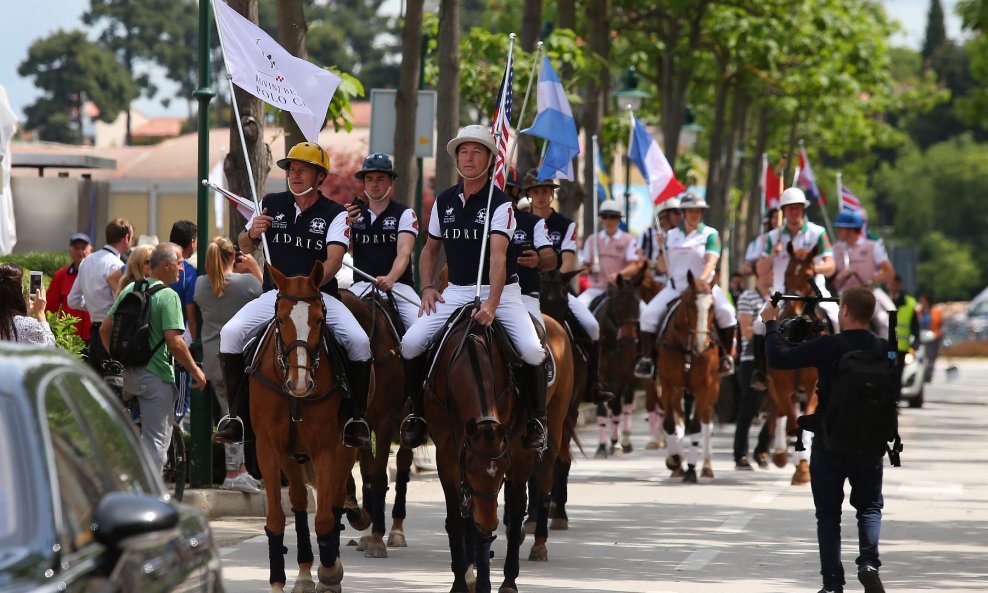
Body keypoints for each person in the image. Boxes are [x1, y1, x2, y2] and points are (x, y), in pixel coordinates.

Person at [398, 125, 548, 451]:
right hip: (456, 291)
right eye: (463, 151)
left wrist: (492, 304)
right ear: (456, 158)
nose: (468, 157)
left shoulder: (502, 204)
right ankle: (417, 415)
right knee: (410, 343)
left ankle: (537, 420)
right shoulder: (444, 200)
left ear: (490, 160)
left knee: (534, 350)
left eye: (476, 151)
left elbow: (497, 258)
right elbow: (429, 250)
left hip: (502, 294)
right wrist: (426, 287)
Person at [215, 142, 373, 449]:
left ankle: (356, 419)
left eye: (303, 169)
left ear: (319, 177)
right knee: (230, 333)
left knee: (360, 341)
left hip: (319, 297)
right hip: (276, 296)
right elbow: (244, 247)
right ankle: (237, 417)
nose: (295, 174)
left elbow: (335, 259)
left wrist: (309, 286)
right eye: (291, 169)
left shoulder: (335, 213)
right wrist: (250, 233)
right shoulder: (271, 202)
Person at [761, 286, 889, 593]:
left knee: (828, 515)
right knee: (870, 507)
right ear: (870, 313)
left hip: (830, 440)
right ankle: (868, 563)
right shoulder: (885, 347)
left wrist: (770, 324)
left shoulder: (827, 345)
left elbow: (777, 359)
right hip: (870, 440)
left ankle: (832, 585)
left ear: (844, 311)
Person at [100, 243, 207, 475]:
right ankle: (152, 498)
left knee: (137, 433)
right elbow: (175, 342)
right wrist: (195, 371)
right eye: (179, 263)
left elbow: (104, 329)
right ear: (167, 265)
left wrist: (119, 356)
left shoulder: (130, 289)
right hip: (156, 376)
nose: (182, 269)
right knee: (157, 441)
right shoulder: (169, 296)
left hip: (129, 375)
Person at [527, 170, 613, 403]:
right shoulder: (518, 220)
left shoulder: (565, 225)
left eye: (545, 191)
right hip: (523, 289)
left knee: (592, 325)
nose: (541, 196)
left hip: (556, 288)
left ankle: (593, 383)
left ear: (552, 194)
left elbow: (566, 262)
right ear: (529, 194)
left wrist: (550, 280)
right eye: (536, 191)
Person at [635, 192, 737, 379]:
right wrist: (661, 248)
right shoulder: (670, 235)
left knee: (728, 313)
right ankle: (647, 359)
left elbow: (710, 263)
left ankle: (726, 356)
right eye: (690, 211)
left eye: (698, 211)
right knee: (648, 315)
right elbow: (663, 267)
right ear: (683, 212)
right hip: (675, 288)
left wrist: (699, 283)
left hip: (704, 289)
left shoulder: (710, 234)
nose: (694, 214)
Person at [194, 237, 263, 493]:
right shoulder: (246, 283)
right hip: (241, 360)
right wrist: (255, 268)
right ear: (233, 256)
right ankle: (233, 473)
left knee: (229, 414)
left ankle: (241, 470)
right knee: (237, 417)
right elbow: (269, 294)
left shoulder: (201, 284)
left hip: (213, 358)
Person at [344, 153, 421, 332]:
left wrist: (391, 277)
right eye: (369, 179)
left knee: (423, 331)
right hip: (361, 286)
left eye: (380, 178)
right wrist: (343, 224)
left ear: (390, 182)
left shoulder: (405, 214)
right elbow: (336, 251)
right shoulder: (353, 215)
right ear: (363, 183)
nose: (374, 184)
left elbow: (404, 251)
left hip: (398, 287)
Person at [68, 218, 133, 373]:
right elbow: (120, 303)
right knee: (115, 385)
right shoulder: (117, 266)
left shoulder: (87, 261)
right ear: (126, 238)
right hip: (112, 331)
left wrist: (93, 306)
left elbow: (73, 300)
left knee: (99, 386)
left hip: (94, 332)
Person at [831, 209, 895, 338]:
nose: (838, 231)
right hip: (841, 296)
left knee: (885, 322)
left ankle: (887, 355)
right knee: (830, 320)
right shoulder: (835, 249)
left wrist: (870, 282)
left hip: (867, 294)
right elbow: (830, 279)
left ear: (851, 229)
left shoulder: (872, 246)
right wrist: (840, 277)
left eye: (841, 228)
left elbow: (889, 272)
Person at [732, 267, 772, 470]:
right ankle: (740, 454)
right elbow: (746, 330)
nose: (772, 272)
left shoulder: (782, 295)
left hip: (775, 358)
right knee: (749, 407)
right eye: (768, 268)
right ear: (759, 272)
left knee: (776, 405)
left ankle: (763, 449)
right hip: (752, 358)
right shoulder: (748, 296)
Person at [510, 172, 557, 324]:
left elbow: (551, 259)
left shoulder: (533, 222)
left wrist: (539, 261)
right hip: (480, 295)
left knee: (533, 347)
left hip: (524, 296)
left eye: (501, 188)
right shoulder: (479, 220)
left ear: (515, 191)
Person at [577, 199, 641, 307]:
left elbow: (635, 266)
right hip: (595, 289)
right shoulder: (592, 240)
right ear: (601, 219)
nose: (608, 220)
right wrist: (589, 269)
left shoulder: (629, 240)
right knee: (576, 308)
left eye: (613, 217)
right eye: (605, 216)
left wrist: (619, 275)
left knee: (645, 313)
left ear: (619, 219)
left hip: (621, 290)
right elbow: (584, 267)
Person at [45, 233, 93, 343]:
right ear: (70, 251)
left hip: (94, 336)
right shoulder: (60, 276)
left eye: (83, 248)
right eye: (77, 248)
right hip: (69, 338)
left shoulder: (99, 275)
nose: (81, 252)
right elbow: (50, 307)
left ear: (91, 250)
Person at [0, 263, 56, 346]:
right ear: (19, 289)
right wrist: (40, 313)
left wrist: (25, 315)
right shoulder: (29, 325)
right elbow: (49, 348)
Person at [887, 274, 919, 398]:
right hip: (887, 346)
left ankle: (895, 400)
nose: (893, 287)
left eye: (895, 284)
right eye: (891, 284)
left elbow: (915, 326)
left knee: (898, 373)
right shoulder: (882, 300)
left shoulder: (909, 302)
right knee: (888, 372)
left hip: (901, 348)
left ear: (899, 285)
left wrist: (916, 343)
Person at [168, 220, 200, 339]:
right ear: (192, 242)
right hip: (177, 337)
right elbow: (192, 319)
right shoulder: (189, 272)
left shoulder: (153, 262)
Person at [743, 209, 777, 278]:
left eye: (778, 217)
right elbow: (747, 267)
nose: (776, 221)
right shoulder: (761, 239)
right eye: (773, 218)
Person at [917, 292, 942, 383]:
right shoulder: (919, 311)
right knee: (919, 357)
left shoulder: (935, 311)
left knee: (930, 358)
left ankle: (928, 375)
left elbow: (939, 324)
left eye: (923, 301)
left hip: (933, 337)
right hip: (921, 337)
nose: (921, 303)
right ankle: (919, 374)